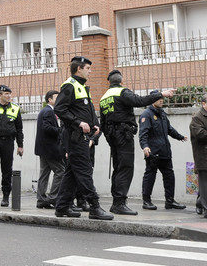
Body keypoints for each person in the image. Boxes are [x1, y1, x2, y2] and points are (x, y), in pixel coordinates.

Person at [98, 69, 174, 214]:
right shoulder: (122, 92)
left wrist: (110, 137)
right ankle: (119, 203)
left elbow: (102, 123)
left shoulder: (103, 97)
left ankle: (116, 202)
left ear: (110, 82)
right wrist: (161, 94)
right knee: (126, 168)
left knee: (118, 168)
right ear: (121, 81)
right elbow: (139, 101)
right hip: (123, 134)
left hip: (112, 136)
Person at [53, 56, 113, 220]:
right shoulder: (69, 86)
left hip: (81, 135)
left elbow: (83, 110)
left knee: (72, 172)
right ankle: (94, 207)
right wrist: (78, 123)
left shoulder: (82, 87)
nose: (90, 71)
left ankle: (62, 207)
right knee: (85, 171)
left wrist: (94, 124)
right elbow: (59, 109)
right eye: (88, 68)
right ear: (79, 68)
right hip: (74, 136)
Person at [137, 97, 186, 210]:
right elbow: (143, 133)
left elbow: (169, 129)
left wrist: (180, 137)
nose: (161, 100)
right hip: (153, 152)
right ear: (152, 100)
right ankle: (146, 201)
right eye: (159, 99)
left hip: (165, 151)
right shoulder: (146, 114)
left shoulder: (162, 114)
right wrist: (145, 147)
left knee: (169, 176)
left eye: (162, 99)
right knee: (150, 176)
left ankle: (170, 201)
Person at [35, 90, 64, 209]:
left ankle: (41, 199)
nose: (58, 100)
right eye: (56, 98)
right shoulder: (48, 112)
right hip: (50, 149)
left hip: (44, 149)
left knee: (44, 173)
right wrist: (60, 130)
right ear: (49, 100)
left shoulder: (45, 111)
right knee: (61, 171)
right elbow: (47, 128)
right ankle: (53, 197)